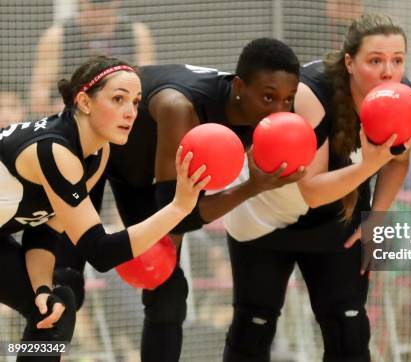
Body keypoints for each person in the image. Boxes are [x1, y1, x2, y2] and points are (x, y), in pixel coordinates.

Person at [52, 38, 303, 362]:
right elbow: (179, 213)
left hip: (140, 175)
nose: (279, 111)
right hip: (89, 150)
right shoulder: (180, 107)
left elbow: (178, 208)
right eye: (269, 97)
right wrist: (252, 187)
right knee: (64, 287)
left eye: (288, 100)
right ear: (239, 85)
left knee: (168, 292)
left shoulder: (253, 113)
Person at [219, 14, 411, 361]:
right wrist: (369, 164)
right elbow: (311, 190)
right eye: (375, 60)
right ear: (349, 63)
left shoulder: (404, 97)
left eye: (397, 60)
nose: (389, 72)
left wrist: (375, 217)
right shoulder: (312, 91)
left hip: (335, 224)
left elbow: (398, 160)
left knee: (348, 330)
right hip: (266, 217)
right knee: (253, 327)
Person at [0, 55, 205, 361]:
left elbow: (44, 233)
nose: (131, 112)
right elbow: (101, 251)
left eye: (136, 102)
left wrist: (41, 288)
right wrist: (178, 208)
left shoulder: (98, 153)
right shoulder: (54, 150)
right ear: (84, 101)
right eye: (118, 99)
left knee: (55, 307)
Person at [30, 0, 155, 116]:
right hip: (74, 119)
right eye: (93, 5)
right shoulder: (57, 37)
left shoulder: (136, 34)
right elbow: (38, 98)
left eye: (105, 5)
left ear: (117, 2)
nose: (99, 12)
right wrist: (64, 109)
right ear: (81, 2)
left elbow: (148, 87)